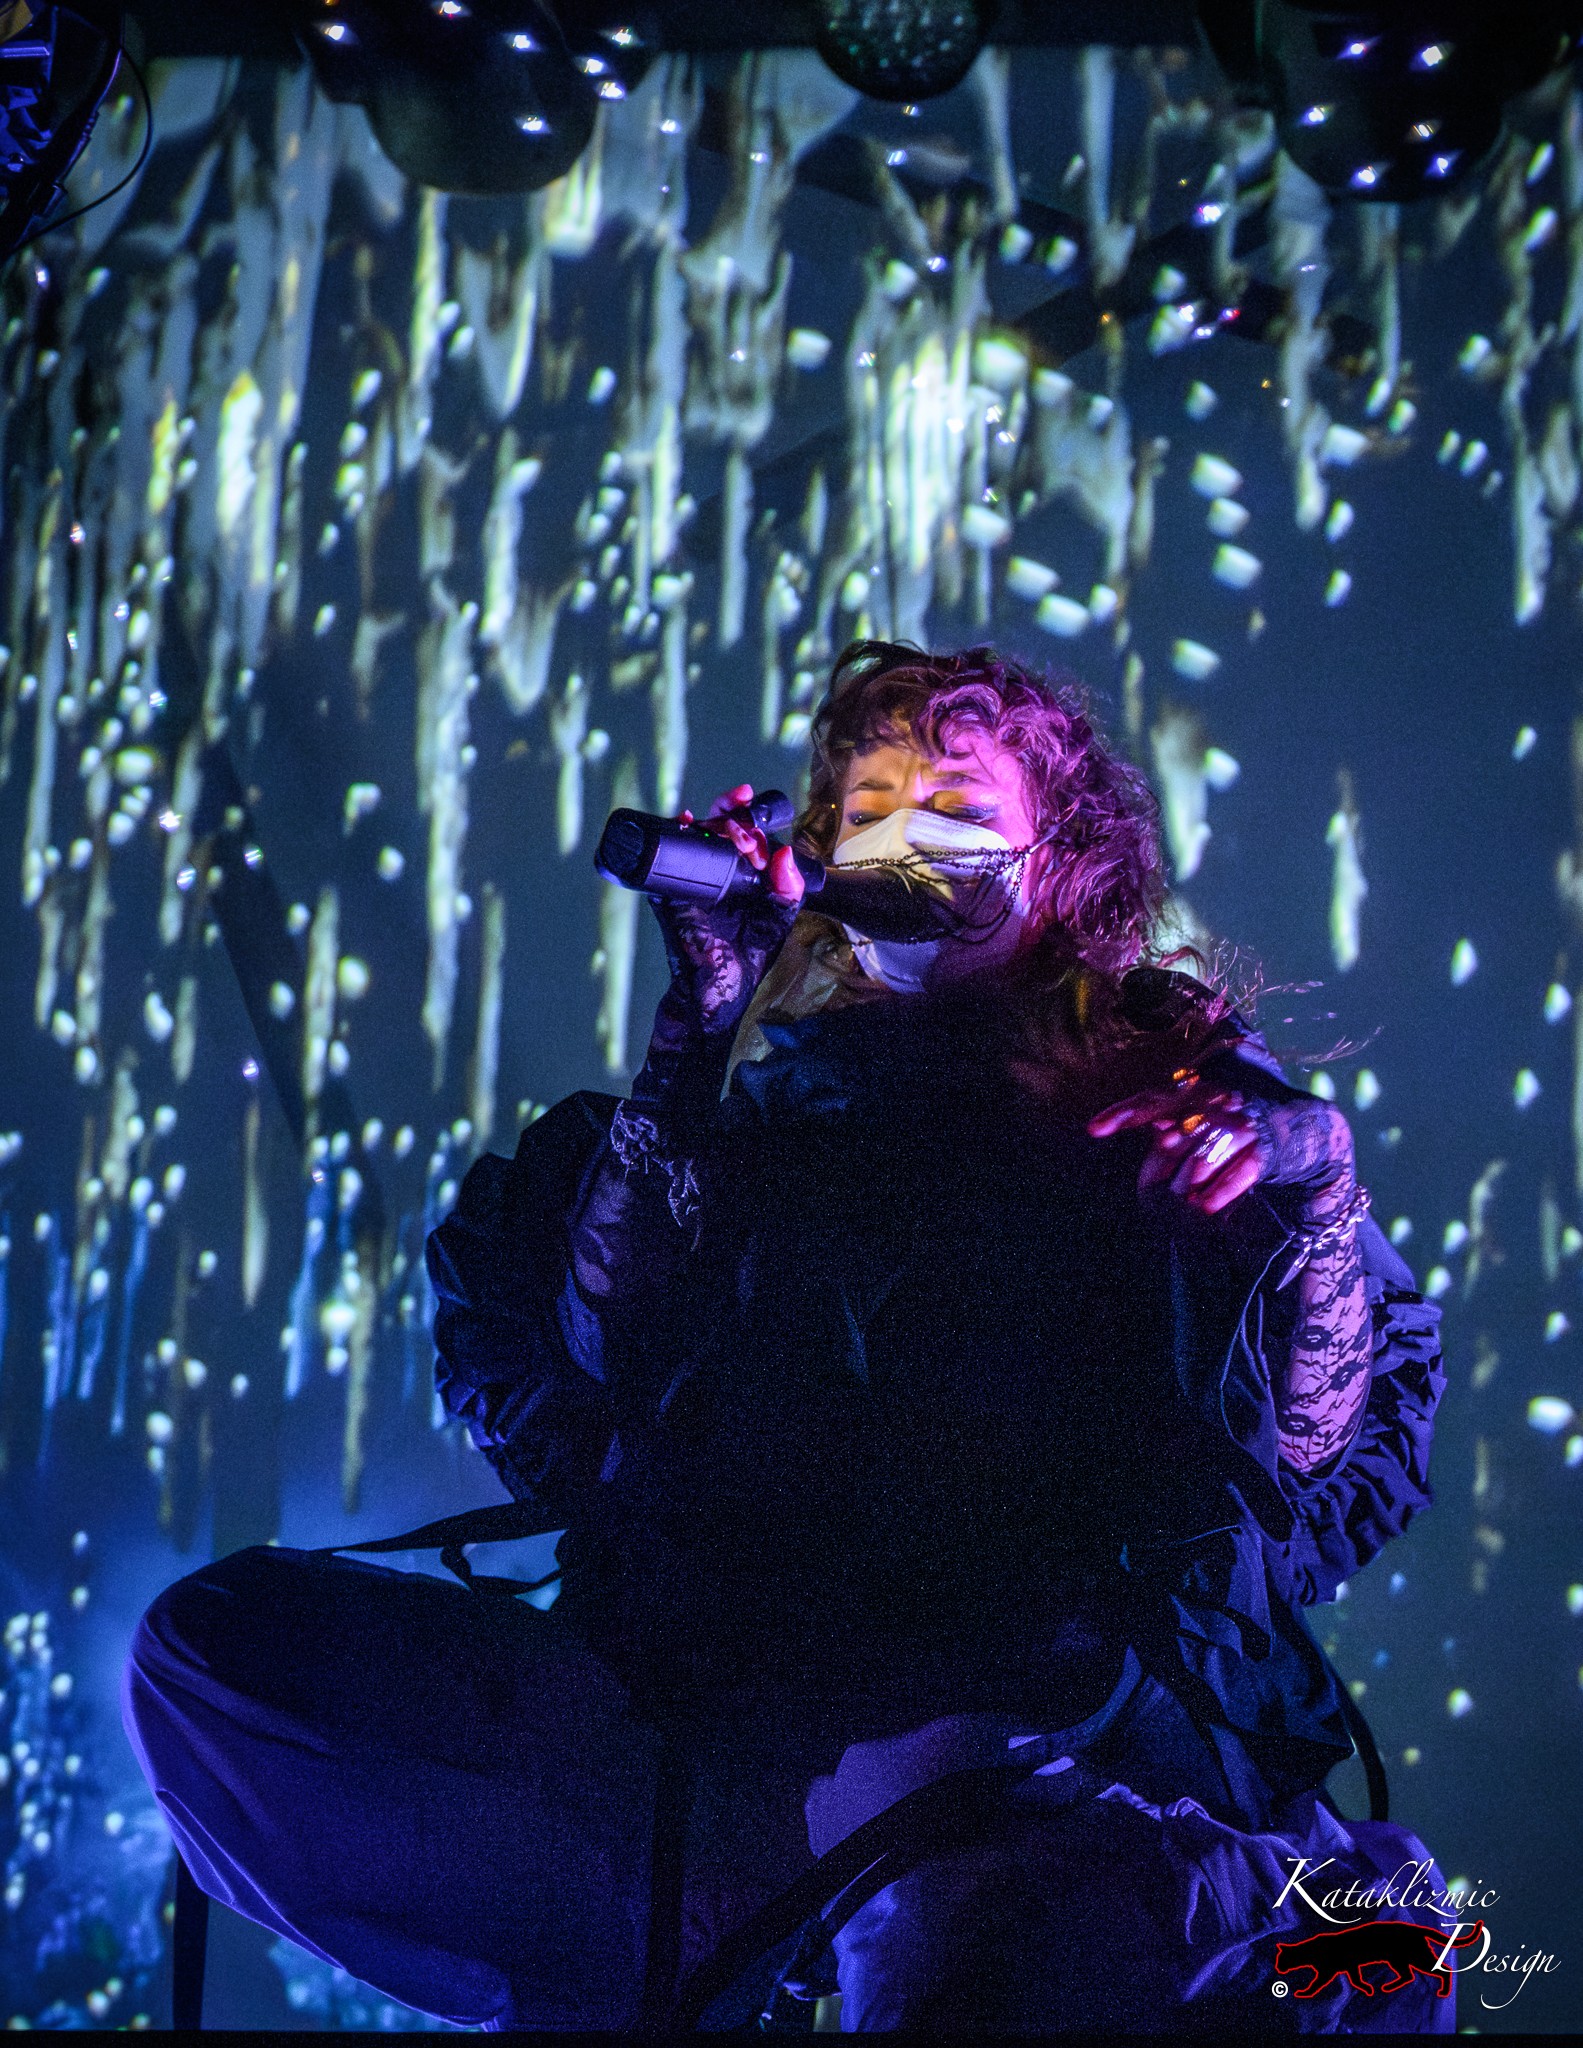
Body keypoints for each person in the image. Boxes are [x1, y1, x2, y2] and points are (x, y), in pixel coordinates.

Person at [123, 640, 1449, 2033]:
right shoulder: (770, 1112)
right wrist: (696, 1018)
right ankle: (721, 1934)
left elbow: (1317, 1461)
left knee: (983, 1945)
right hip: (733, 1707)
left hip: (1042, 1719)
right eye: (869, 801)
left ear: (1058, 860)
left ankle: (1251, 1913)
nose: (901, 835)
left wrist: (1316, 1201)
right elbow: (588, 1367)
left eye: (954, 799)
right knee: (215, 1659)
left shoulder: (1176, 1103)